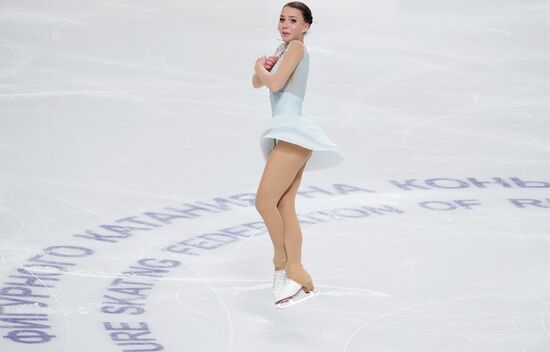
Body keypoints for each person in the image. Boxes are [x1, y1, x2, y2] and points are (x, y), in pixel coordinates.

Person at [252, 2, 343, 308]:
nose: (285, 24)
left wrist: (258, 68)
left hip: (293, 132)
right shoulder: (282, 49)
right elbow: (258, 84)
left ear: (306, 26)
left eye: (293, 20)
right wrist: (262, 66)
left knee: (265, 201)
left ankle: (282, 263)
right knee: (284, 204)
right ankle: (299, 274)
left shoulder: (296, 50)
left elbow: (273, 83)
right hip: (285, 132)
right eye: (281, 19)